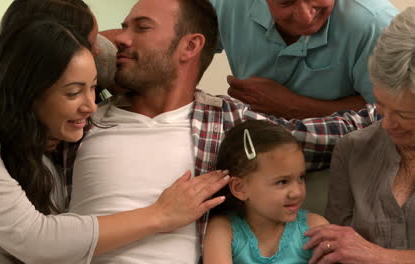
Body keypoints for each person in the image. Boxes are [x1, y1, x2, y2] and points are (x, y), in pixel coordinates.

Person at [69, 0, 381, 263]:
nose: (121, 39)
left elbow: (361, 124)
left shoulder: (228, 123)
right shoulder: (80, 118)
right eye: (124, 28)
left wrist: (292, 105)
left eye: (142, 28)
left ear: (190, 45)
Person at [0, 13, 229, 264]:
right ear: (28, 92)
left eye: (94, 88)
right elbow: (34, 239)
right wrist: (160, 215)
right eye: (72, 93)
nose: (91, 106)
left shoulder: (46, 156)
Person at [303, 7, 415, 264]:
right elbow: (334, 250)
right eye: (381, 106)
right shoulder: (353, 149)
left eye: (404, 115)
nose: (387, 124)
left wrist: (379, 256)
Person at [209, 0, 398, 119]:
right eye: (286, 2)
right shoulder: (226, 3)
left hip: (348, 155)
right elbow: (185, 53)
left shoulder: (377, 24)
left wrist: (293, 107)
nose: (306, 17)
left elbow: (396, 115)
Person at [203, 120, 328, 263]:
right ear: (240, 188)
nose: (297, 192)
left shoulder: (315, 227)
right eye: (282, 181)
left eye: (301, 177)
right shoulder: (223, 229)